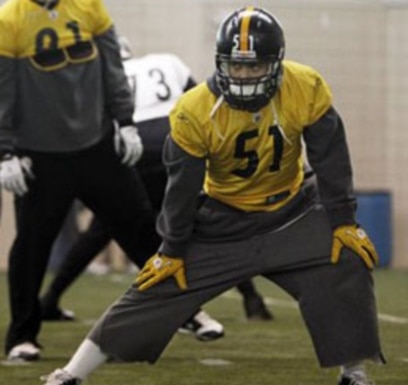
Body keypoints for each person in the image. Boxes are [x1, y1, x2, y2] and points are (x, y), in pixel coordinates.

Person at [24, 6, 388, 385]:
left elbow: (330, 156)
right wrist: (172, 249)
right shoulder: (194, 109)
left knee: (348, 259)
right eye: (236, 66)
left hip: (293, 213)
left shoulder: (306, 86)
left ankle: (353, 379)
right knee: (153, 286)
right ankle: (69, 378)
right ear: (219, 62)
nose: (245, 77)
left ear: (278, 62)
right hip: (223, 220)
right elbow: (181, 189)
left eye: (256, 67)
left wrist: (343, 220)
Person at [39, 35, 272, 333]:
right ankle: (251, 298)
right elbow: (205, 103)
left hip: (132, 148)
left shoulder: (101, 77)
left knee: (103, 228)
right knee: (205, 221)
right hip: (175, 138)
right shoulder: (166, 61)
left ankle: (51, 299)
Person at [0, 0, 162, 362]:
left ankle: (182, 311)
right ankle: (21, 335)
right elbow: (2, 88)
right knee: (31, 247)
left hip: (95, 142)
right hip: (40, 151)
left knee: (138, 223)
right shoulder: (9, 19)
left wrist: (126, 120)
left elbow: (113, 68)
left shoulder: (89, 6)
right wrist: (5, 151)